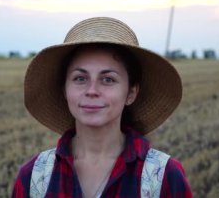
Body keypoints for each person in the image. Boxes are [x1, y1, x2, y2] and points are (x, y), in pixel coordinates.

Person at [12, 17, 192, 198]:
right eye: (80, 78)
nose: (92, 91)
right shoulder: (34, 178)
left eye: (108, 79)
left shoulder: (164, 178)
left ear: (131, 93)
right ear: (65, 91)